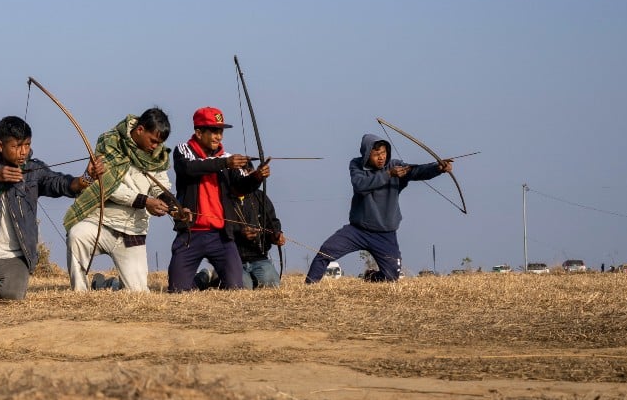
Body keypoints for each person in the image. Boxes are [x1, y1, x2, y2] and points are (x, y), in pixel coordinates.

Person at [0, 116, 105, 304]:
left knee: (11, 298)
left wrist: (87, 178)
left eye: (27, 145)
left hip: (16, 258)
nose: (23, 152)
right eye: (16, 146)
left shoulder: (34, 169)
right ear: (0, 145)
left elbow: (62, 184)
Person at [304, 133, 452, 283]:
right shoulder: (357, 165)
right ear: (367, 154)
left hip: (385, 234)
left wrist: (437, 168)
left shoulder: (394, 165)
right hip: (357, 230)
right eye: (376, 154)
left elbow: (416, 171)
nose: (381, 157)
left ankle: (371, 277)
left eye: (383, 152)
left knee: (391, 277)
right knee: (325, 252)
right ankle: (309, 287)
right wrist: (388, 174)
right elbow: (360, 185)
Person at [64, 108, 176, 292]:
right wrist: (145, 202)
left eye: (159, 143)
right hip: (101, 222)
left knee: (138, 293)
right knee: (77, 235)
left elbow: (160, 186)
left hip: (132, 230)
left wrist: (171, 205)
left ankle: (107, 284)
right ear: (140, 130)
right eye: (153, 141)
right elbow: (108, 185)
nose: (155, 146)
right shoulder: (110, 142)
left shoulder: (157, 154)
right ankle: (80, 292)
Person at [166, 107, 269, 292]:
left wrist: (257, 177)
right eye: (213, 131)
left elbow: (239, 187)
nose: (218, 136)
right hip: (190, 233)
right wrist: (224, 163)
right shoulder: (183, 150)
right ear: (198, 132)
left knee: (236, 289)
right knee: (177, 291)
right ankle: (203, 279)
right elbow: (189, 168)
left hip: (221, 236)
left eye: (220, 131)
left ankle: (212, 280)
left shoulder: (228, 158)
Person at [229, 187, 286, 289]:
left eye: (249, 171)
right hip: (233, 259)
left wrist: (275, 235)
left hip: (259, 257)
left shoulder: (259, 196)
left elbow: (271, 222)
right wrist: (239, 233)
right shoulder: (223, 197)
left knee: (272, 285)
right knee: (243, 288)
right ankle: (213, 275)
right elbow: (218, 230)